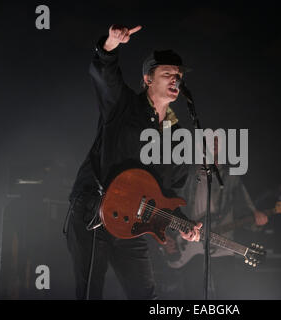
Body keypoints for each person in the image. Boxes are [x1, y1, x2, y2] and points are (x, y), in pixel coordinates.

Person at [64, 24, 201, 300]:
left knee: (145, 294)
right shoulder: (123, 105)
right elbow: (106, 75)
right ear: (148, 79)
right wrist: (110, 46)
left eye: (178, 75)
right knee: (91, 292)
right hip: (95, 212)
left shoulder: (177, 137)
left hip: (132, 223)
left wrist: (183, 223)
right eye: (167, 74)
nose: (175, 79)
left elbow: (168, 192)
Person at [162, 137, 268, 299]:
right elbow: (171, 207)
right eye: (209, 140)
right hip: (189, 245)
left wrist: (257, 220)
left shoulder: (231, 178)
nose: (214, 143)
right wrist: (167, 237)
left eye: (217, 141)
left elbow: (246, 211)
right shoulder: (187, 175)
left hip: (223, 247)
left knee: (227, 296)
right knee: (193, 295)